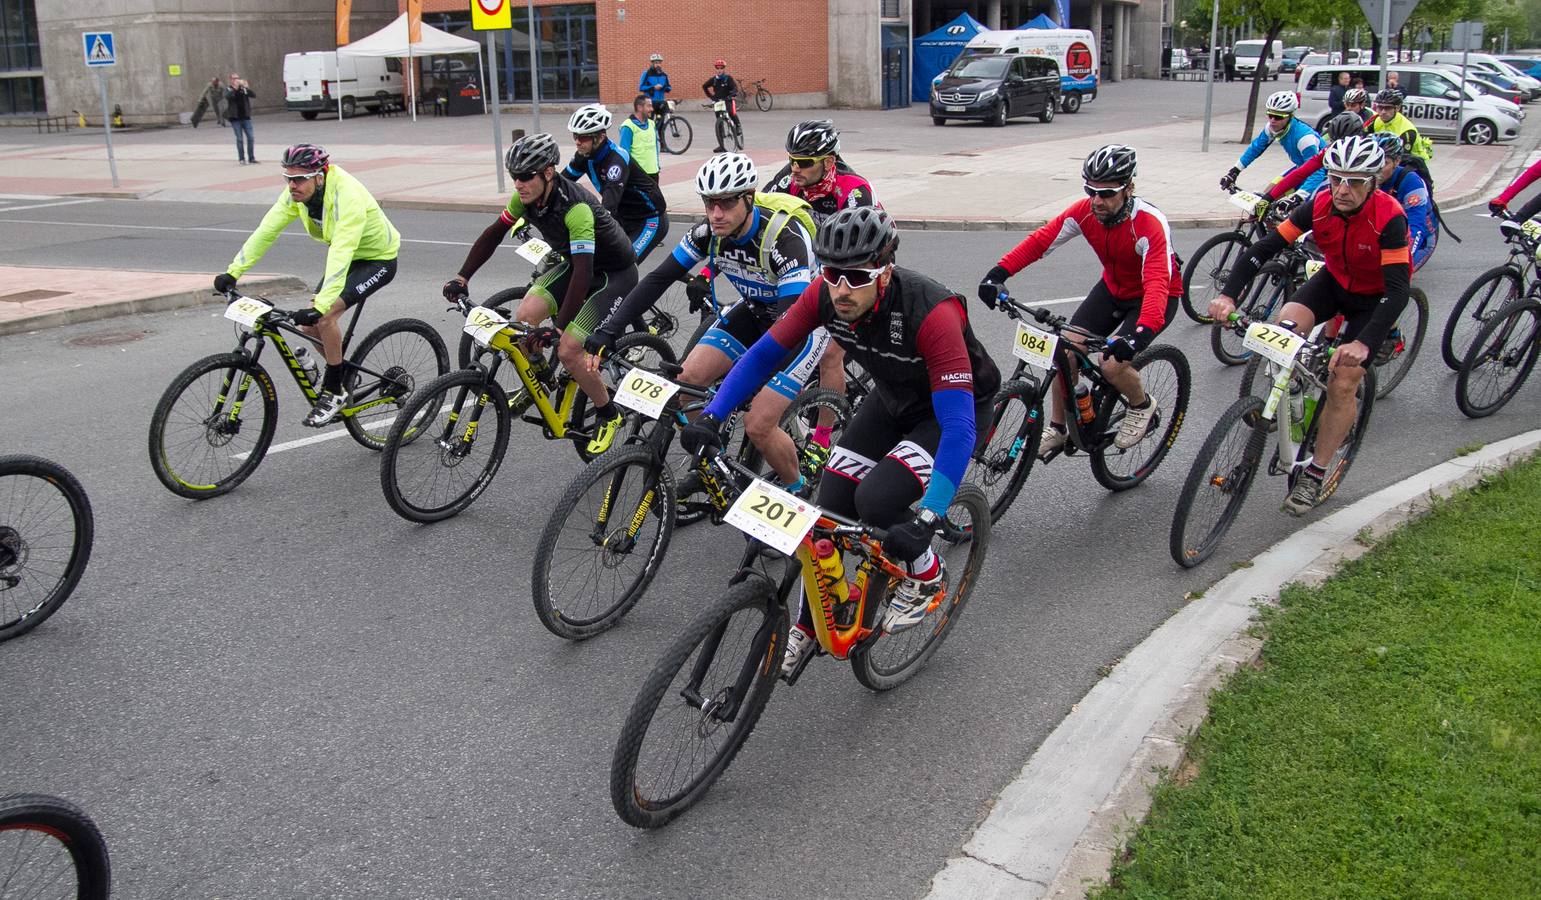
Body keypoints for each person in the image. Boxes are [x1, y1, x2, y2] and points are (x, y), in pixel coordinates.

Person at [679, 207, 1001, 669]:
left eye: (857, 276)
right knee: (827, 508)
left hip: (948, 413)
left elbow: (958, 426)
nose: (842, 288)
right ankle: (812, 626)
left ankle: (927, 573)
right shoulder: (825, 295)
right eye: (832, 274)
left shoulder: (933, 312)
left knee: (875, 502)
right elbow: (765, 352)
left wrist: (929, 517)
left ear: (885, 271)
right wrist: (712, 416)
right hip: (891, 399)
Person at [583, 153, 825, 492]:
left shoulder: (783, 240)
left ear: (748, 198)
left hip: (798, 328)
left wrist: (749, 377)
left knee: (758, 422)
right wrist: (609, 330)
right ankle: (716, 465)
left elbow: (787, 325)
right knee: (688, 385)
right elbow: (659, 279)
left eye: (726, 204)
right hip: (755, 312)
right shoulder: (707, 233)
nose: (716, 214)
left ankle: (797, 491)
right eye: (710, 204)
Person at [1208, 135, 1409, 515]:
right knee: (1283, 333)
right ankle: (1296, 397)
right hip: (1333, 283)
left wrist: (1363, 344)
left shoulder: (1390, 217)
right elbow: (1262, 249)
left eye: (1354, 182)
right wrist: (1229, 296)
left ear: (1372, 183)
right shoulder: (1318, 205)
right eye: (1335, 179)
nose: (1342, 190)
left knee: (1344, 380)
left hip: (1376, 298)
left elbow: (1399, 290)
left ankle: (1315, 473)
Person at [443, 133, 639, 456]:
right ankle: (540, 380)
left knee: (569, 350)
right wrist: (462, 277)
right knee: (523, 319)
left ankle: (609, 413)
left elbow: (584, 274)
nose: (518, 184)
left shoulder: (576, 209)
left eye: (524, 177)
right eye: (514, 177)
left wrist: (558, 329)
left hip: (612, 274)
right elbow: (494, 234)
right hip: (577, 266)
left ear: (548, 173)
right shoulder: (525, 199)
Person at [977, 145, 1179, 457]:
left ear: (1128, 189)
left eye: (1107, 193)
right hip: (1113, 289)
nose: (1097, 200)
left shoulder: (1149, 224)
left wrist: (1138, 338)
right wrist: (997, 273)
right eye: (1091, 191)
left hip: (1154, 298)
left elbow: (1156, 283)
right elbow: (1041, 241)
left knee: (1111, 365)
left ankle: (1141, 405)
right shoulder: (1084, 212)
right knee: (1065, 350)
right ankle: (1058, 428)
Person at [214, 143, 400, 426]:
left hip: (377, 259)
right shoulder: (296, 195)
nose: (292, 185)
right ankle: (342, 373)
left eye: (299, 178)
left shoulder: (346, 194)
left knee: (324, 317)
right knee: (307, 326)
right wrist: (233, 272)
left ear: (320, 176)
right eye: (288, 178)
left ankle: (335, 389)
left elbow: (342, 248)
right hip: (347, 258)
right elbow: (267, 230)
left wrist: (322, 305)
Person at [562, 104, 669, 264]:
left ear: (600, 137)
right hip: (623, 216)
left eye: (583, 137)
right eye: (575, 136)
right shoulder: (583, 156)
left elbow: (607, 208)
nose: (577, 142)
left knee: (624, 265)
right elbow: (558, 185)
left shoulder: (616, 161)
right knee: (591, 260)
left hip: (649, 219)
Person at [1219, 92, 1325, 195]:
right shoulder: (1271, 128)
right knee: (1265, 197)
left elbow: (1317, 172)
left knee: (1301, 208)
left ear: (1290, 116)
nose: (1272, 120)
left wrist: (1299, 197)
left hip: (1323, 174)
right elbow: (1255, 149)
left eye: (1278, 117)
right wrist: (1234, 171)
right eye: (1270, 115)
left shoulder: (1305, 138)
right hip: (1301, 168)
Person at [1262, 111, 1368, 208]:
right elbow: (1301, 172)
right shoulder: (1330, 150)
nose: (1342, 147)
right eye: (1337, 142)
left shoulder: (1369, 152)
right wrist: (1269, 197)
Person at [1372, 133, 1437, 271]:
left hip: (1420, 235)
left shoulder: (1411, 181)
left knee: (1392, 275)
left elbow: (1417, 226)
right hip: (1387, 230)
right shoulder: (1366, 176)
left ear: (1396, 162)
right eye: (1373, 161)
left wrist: (1401, 259)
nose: (1376, 169)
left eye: (1384, 163)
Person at [1368, 89, 1433, 172]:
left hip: (1413, 163)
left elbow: (1402, 160)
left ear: (1397, 108)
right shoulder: (1376, 120)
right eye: (1380, 107)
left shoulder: (1407, 130)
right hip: (1387, 157)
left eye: (1388, 108)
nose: (1383, 112)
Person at [702, 59, 741, 152]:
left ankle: (738, 126)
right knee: (719, 122)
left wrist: (732, 95)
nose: (719, 70)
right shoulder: (714, 80)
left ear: (724, 69)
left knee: (731, 112)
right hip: (718, 102)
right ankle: (721, 145)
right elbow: (704, 86)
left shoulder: (728, 78)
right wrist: (711, 97)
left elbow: (735, 88)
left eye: (721, 68)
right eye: (717, 68)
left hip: (727, 99)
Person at [618, 95, 661, 178]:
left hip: (654, 172)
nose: (652, 109)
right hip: (638, 175)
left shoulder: (652, 124)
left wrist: (657, 165)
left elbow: (655, 148)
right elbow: (624, 153)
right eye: (648, 106)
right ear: (639, 107)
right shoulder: (628, 126)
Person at [226, 73, 256, 165]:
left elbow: (253, 95)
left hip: (246, 117)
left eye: (238, 78)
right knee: (240, 139)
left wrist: (246, 87)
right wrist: (235, 88)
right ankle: (241, 158)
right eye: (234, 78)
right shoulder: (228, 89)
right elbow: (229, 97)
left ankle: (251, 158)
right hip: (235, 118)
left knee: (251, 138)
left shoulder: (243, 89)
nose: (237, 80)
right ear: (230, 80)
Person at [639, 53, 671, 125]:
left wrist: (664, 88)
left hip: (661, 102)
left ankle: (660, 135)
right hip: (650, 102)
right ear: (652, 63)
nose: (658, 65)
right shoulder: (646, 73)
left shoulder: (664, 75)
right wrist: (653, 87)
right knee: (649, 123)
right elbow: (641, 87)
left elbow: (669, 87)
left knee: (660, 123)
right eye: (656, 63)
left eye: (659, 63)